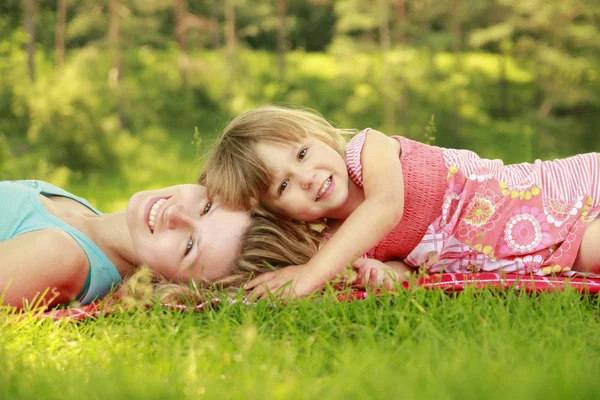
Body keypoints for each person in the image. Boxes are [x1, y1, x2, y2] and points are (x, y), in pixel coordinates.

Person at [202, 104, 600, 298]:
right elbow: (411, 268)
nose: (306, 178)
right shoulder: (343, 243)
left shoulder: (367, 150)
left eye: (302, 154)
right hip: (548, 256)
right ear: (279, 213)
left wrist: (310, 274)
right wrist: (386, 274)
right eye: (283, 187)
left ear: (320, 137)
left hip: (563, 200)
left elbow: (387, 208)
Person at [0, 180, 251, 308]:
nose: (176, 215)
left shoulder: (61, 256)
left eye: (188, 246)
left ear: (176, 284)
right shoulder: (87, 217)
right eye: (206, 207)